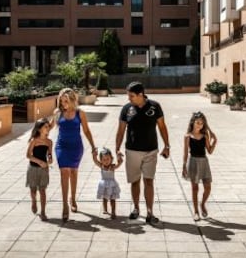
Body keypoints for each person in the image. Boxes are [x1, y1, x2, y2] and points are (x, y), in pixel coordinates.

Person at [115, 81, 170, 225]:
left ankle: (150, 212)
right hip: (132, 150)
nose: (129, 99)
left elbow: (162, 127)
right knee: (135, 181)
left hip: (151, 150)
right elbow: (120, 130)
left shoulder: (155, 106)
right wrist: (117, 149)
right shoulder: (127, 109)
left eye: (131, 96)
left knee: (149, 181)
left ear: (141, 95)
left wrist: (167, 146)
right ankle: (136, 208)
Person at [50, 88, 97, 221]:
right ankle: (65, 205)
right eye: (62, 101)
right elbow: (49, 127)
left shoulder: (79, 113)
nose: (64, 104)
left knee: (74, 173)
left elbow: (87, 131)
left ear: (72, 100)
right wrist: (38, 137)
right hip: (61, 147)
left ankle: (73, 198)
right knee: (64, 172)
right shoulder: (57, 113)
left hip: (76, 147)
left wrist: (93, 147)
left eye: (66, 101)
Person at [182, 111, 217, 221]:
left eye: (201, 123)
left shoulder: (205, 135)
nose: (199, 125)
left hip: (204, 162)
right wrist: (184, 166)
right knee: (195, 188)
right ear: (193, 122)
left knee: (208, 187)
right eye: (197, 122)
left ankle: (202, 204)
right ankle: (196, 211)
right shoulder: (187, 136)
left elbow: (210, 151)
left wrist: (214, 141)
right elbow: (185, 153)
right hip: (193, 162)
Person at [26, 118, 53, 221]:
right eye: (46, 127)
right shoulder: (34, 141)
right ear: (39, 129)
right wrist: (39, 162)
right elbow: (28, 155)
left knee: (42, 190)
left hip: (44, 169)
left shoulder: (49, 142)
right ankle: (33, 201)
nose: (48, 129)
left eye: (48, 127)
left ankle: (43, 211)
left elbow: (49, 154)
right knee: (33, 190)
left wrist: (50, 159)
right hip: (33, 168)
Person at [93, 147, 123, 219]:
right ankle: (105, 209)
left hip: (112, 184)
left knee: (113, 198)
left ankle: (113, 212)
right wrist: (94, 155)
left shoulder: (112, 167)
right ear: (101, 160)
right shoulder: (101, 166)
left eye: (108, 159)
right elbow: (95, 161)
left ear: (111, 159)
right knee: (104, 197)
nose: (106, 161)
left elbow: (119, 164)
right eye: (104, 159)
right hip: (104, 184)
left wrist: (119, 157)